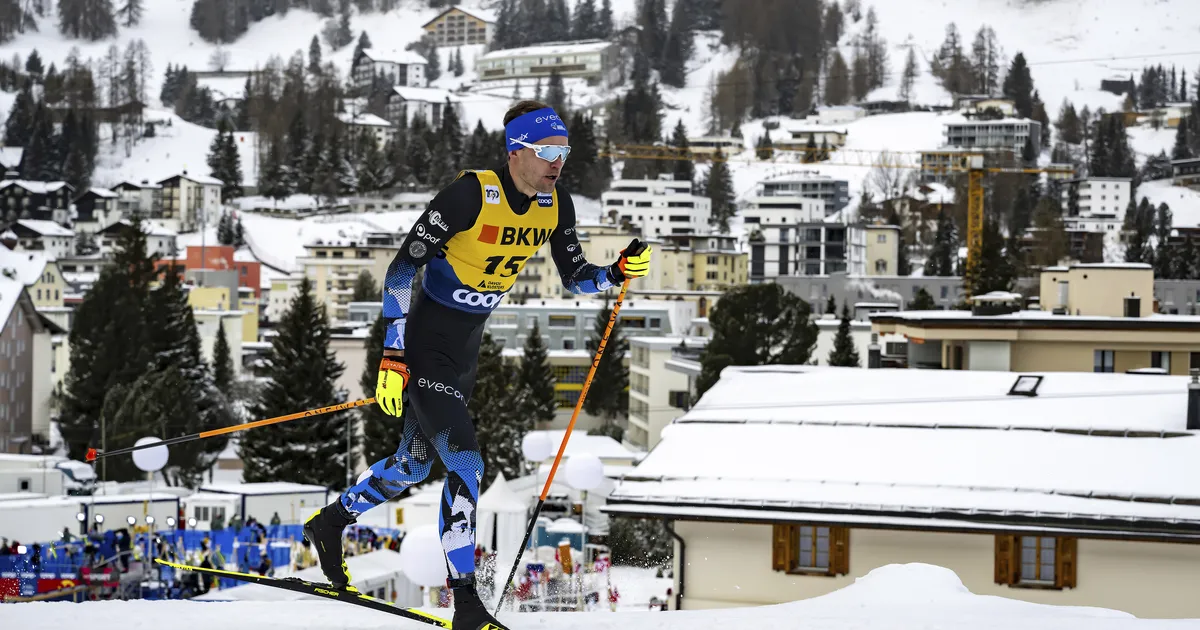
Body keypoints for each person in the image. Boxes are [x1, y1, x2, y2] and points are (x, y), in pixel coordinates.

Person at [302, 99, 653, 630]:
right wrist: (393, 354)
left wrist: (615, 272)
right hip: (424, 343)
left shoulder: (556, 204)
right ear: (516, 152)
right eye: (547, 151)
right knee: (466, 463)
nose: (558, 162)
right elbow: (400, 271)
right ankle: (466, 602)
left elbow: (575, 275)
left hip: (465, 350)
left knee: (415, 464)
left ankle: (329, 523)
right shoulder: (470, 195)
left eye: (565, 151)